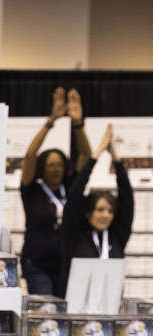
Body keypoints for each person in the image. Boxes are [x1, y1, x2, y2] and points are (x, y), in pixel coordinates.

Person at [19, 87, 92, 295]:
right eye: (50, 165)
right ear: (43, 167)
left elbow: (86, 154)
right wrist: (51, 120)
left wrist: (77, 123)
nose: (55, 168)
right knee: (46, 313)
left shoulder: (70, 187)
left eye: (59, 164)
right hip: (37, 264)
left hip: (68, 264)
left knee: (68, 313)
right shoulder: (31, 190)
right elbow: (30, 155)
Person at [58, 123, 134, 295]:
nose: (106, 215)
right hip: (77, 304)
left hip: (110, 304)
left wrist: (115, 157)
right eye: (100, 210)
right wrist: (96, 156)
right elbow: (76, 193)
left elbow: (127, 198)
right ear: (88, 213)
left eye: (110, 211)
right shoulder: (74, 235)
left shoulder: (117, 236)